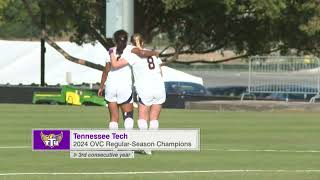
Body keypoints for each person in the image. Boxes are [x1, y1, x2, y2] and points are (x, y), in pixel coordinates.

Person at [98, 30, 158, 130]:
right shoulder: (131, 49)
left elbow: (105, 72)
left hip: (110, 87)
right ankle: (128, 141)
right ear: (126, 40)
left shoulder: (110, 51)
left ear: (114, 40)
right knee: (128, 117)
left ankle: (114, 142)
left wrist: (101, 87)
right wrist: (154, 53)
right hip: (124, 87)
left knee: (113, 119)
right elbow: (142, 52)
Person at [110, 33, 166, 132]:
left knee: (142, 119)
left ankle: (144, 144)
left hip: (145, 88)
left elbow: (115, 64)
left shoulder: (133, 55)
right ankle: (150, 145)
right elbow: (161, 72)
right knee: (154, 120)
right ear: (143, 42)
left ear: (131, 43)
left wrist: (111, 52)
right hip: (159, 87)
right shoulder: (153, 54)